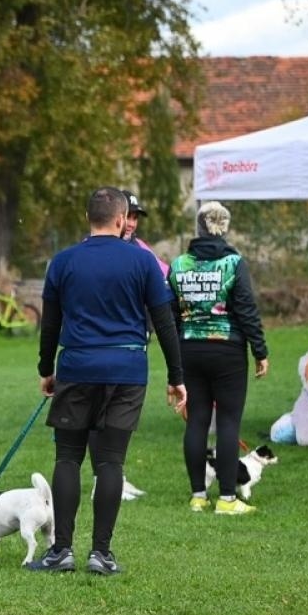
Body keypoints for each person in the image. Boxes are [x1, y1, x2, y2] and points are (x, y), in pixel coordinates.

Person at [31, 186, 186, 575]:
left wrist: (46, 369)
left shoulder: (63, 262)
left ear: (89, 218)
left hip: (77, 368)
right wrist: (176, 376)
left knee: (68, 457)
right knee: (110, 462)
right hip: (127, 372)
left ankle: (61, 550)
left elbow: (49, 324)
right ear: (121, 220)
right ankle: (101, 552)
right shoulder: (143, 262)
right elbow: (164, 322)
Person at [169, 201, 270, 515]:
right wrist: (260, 350)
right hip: (228, 351)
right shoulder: (233, 263)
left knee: (197, 421)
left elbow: (170, 315)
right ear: (225, 228)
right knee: (228, 422)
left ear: (198, 227)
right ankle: (227, 499)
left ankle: (199, 495)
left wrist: (175, 363)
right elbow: (246, 309)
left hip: (189, 351)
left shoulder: (178, 265)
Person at [121, 190, 169, 278]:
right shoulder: (96, 243)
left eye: (135, 218)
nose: (131, 224)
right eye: (127, 216)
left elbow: (165, 272)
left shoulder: (140, 245)